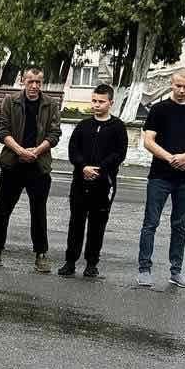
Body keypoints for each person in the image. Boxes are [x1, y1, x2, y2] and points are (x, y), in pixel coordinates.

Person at [0, 67, 62, 272]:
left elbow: (54, 134)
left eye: (38, 82)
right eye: (30, 81)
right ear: (22, 81)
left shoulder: (50, 104)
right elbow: (3, 131)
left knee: (39, 212)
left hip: (39, 165)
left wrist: (36, 151)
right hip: (13, 164)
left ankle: (41, 254)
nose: (34, 86)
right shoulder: (11, 101)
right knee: (3, 210)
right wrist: (20, 150)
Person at [137, 69, 185, 288]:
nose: (182, 90)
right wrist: (171, 158)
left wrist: (184, 157)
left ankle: (176, 271)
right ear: (171, 83)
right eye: (178, 85)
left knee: (179, 225)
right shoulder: (159, 109)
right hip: (160, 175)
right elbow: (148, 141)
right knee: (151, 223)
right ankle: (144, 269)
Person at [57, 84, 129, 279]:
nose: (97, 105)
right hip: (81, 181)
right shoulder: (83, 125)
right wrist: (83, 166)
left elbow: (119, 153)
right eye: (94, 101)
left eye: (101, 102)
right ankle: (70, 261)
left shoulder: (117, 127)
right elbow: (73, 150)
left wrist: (100, 169)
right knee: (76, 222)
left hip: (104, 183)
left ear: (110, 103)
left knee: (97, 224)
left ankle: (91, 263)